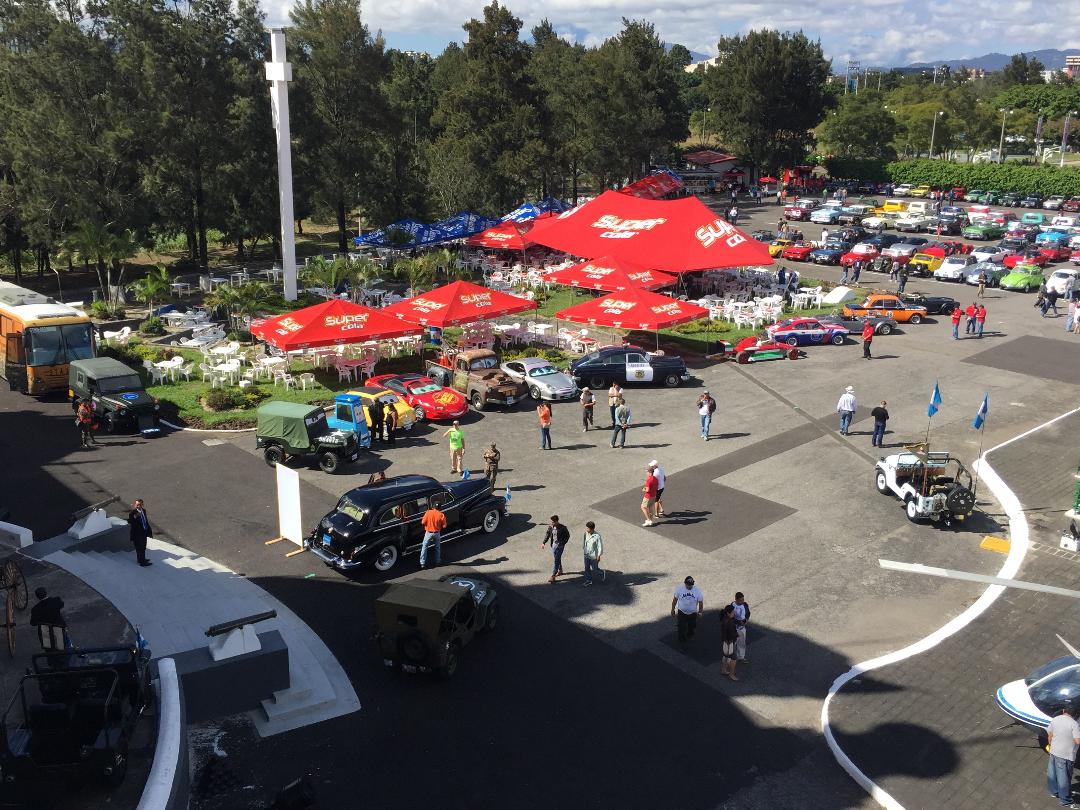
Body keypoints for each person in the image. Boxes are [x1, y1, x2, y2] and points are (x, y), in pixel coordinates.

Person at [1046, 704, 1080, 807]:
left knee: (1052, 773)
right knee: (1064, 779)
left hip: (1053, 751)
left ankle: (1054, 792)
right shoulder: (1074, 724)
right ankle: (1066, 800)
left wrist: (1051, 746)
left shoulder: (1056, 719)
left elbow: (1050, 735)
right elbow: (1078, 741)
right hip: (1065, 756)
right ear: (1075, 714)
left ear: (1064, 710)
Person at [671, 576, 703, 644]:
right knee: (681, 627)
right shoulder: (679, 589)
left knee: (692, 626)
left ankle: (690, 634)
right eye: (688, 584)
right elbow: (675, 600)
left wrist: (700, 612)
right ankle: (682, 640)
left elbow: (700, 602)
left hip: (693, 613)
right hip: (681, 612)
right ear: (685, 583)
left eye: (691, 585)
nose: (690, 586)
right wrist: (672, 609)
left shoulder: (697, 591)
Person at [540, 515, 570, 584]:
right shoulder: (551, 527)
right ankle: (560, 570)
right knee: (557, 558)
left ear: (557, 521)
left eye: (553, 522)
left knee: (556, 559)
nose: (552, 523)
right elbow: (547, 534)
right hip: (553, 545)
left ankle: (553, 576)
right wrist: (543, 543)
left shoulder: (563, 528)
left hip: (560, 546)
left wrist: (562, 543)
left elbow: (567, 536)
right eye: (551, 522)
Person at [419, 503, 447, 569]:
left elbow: (422, 522)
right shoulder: (441, 514)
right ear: (440, 508)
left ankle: (422, 563)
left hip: (428, 533)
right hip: (437, 533)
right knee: (437, 548)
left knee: (424, 547)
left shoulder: (428, 512)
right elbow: (444, 526)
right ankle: (437, 561)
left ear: (433, 507)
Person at [127, 498, 153, 567]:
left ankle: (142, 559)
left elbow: (145, 520)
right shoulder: (132, 513)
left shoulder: (143, 511)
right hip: (137, 534)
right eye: (137, 505)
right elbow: (130, 521)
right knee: (139, 548)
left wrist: (148, 530)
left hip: (144, 532)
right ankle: (142, 562)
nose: (139, 506)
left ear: (142, 505)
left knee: (143, 547)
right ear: (135, 505)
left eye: (140, 505)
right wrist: (135, 517)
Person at [582, 521, 605, 586]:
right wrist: (584, 548)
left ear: (592, 529)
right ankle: (589, 580)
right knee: (587, 568)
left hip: (594, 556)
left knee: (594, 569)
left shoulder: (597, 536)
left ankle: (602, 572)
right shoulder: (585, 533)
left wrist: (599, 555)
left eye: (588, 528)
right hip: (586, 554)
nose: (586, 529)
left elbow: (600, 546)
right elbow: (584, 541)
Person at [730, 592, 750, 665]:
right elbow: (730, 617)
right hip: (734, 628)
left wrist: (746, 620)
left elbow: (748, 613)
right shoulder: (732, 606)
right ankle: (730, 658)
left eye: (743, 599)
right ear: (736, 599)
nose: (742, 601)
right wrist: (738, 622)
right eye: (740, 600)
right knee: (732, 643)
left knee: (742, 643)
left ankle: (741, 657)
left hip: (742, 628)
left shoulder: (745, 605)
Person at [720, 605, 739, 680]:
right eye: (733, 612)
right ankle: (731, 674)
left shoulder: (724, 619)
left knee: (725, 655)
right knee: (734, 658)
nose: (734, 613)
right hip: (730, 642)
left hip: (725, 641)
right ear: (728, 613)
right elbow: (731, 634)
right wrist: (737, 635)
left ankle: (723, 669)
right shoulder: (729, 623)